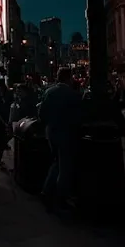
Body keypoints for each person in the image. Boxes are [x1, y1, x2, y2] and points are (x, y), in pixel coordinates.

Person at [39, 68, 82, 210]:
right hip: (66, 132)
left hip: (51, 131)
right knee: (65, 166)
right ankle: (60, 196)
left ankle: (46, 191)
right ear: (68, 78)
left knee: (57, 162)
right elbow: (78, 116)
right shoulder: (72, 95)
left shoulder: (49, 92)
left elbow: (42, 113)